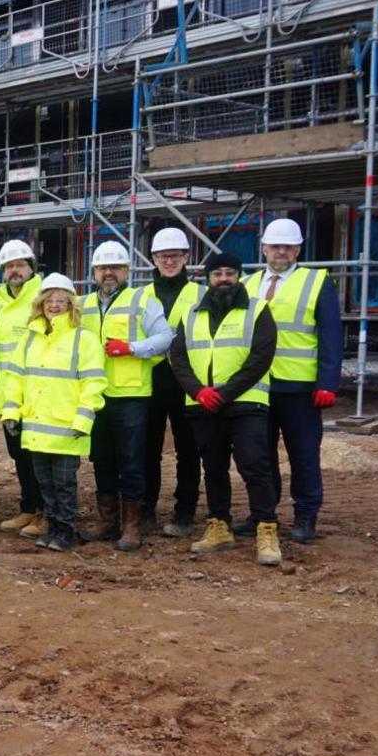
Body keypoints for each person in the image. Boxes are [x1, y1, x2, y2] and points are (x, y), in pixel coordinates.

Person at [168, 251, 283, 566]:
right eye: (217, 274)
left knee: (254, 466)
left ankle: (266, 528)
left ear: (239, 276)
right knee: (214, 468)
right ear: (208, 278)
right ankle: (219, 526)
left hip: (246, 404)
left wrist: (226, 393)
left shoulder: (257, 310)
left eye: (230, 274)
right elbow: (177, 357)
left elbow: (261, 357)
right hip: (203, 405)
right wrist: (198, 391)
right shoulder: (192, 314)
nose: (223, 279)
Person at [243, 217, 341, 544]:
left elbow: (331, 335)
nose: (281, 251)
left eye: (288, 246)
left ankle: (305, 516)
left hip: (300, 388)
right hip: (257, 387)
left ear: (298, 249)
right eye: (275, 246)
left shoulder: (316, 282)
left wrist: (327, 381)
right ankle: (263, 514)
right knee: (261, 455)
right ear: (264, 248)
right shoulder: (247, 284)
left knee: (303, 454)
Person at [0, 274, 107, 552]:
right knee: (44, 483)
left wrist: (84, 418)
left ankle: (65, 530)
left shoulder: (83, 339)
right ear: (41, 303)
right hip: (36, 425)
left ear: (71, 304)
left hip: (66, 426)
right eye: (50, 300)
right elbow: (15, 378)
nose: (55, 305)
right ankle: (51, 524)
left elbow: (93, 382)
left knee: (64, 483)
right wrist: (11, 411)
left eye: (61, 300)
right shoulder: (30, 338)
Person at [79, 240, 173, 551]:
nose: (109, 273)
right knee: (102, 459)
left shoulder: (142, 300)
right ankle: (108, 521)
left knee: (131, 461)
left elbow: (165, 338)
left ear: (127, 271)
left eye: (116, 268)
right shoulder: (82, 305)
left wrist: (132, 348)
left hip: (131, 395)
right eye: (103, 268)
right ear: (93, 272)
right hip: (95, 395)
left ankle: (132, 525)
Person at [144, 228, 205, 537]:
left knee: (188, 451)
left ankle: (185, 512)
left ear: (186, 258)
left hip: (187, 383)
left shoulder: (201, 294)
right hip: (149, 382)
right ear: (153, 259)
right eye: (162, 256)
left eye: (175, 255)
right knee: (147, 450)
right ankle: (145, 510)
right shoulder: (140, 295)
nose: (168, 261)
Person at [0, 239, 46, 537]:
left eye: (20, 265)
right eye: (9, 266)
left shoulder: (43, 297)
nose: (14, 271)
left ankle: (45, 512)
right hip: (7, 392)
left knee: (40, 453)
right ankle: (28, 508)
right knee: (19, 454)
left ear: (31, 268)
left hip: (38, 391)